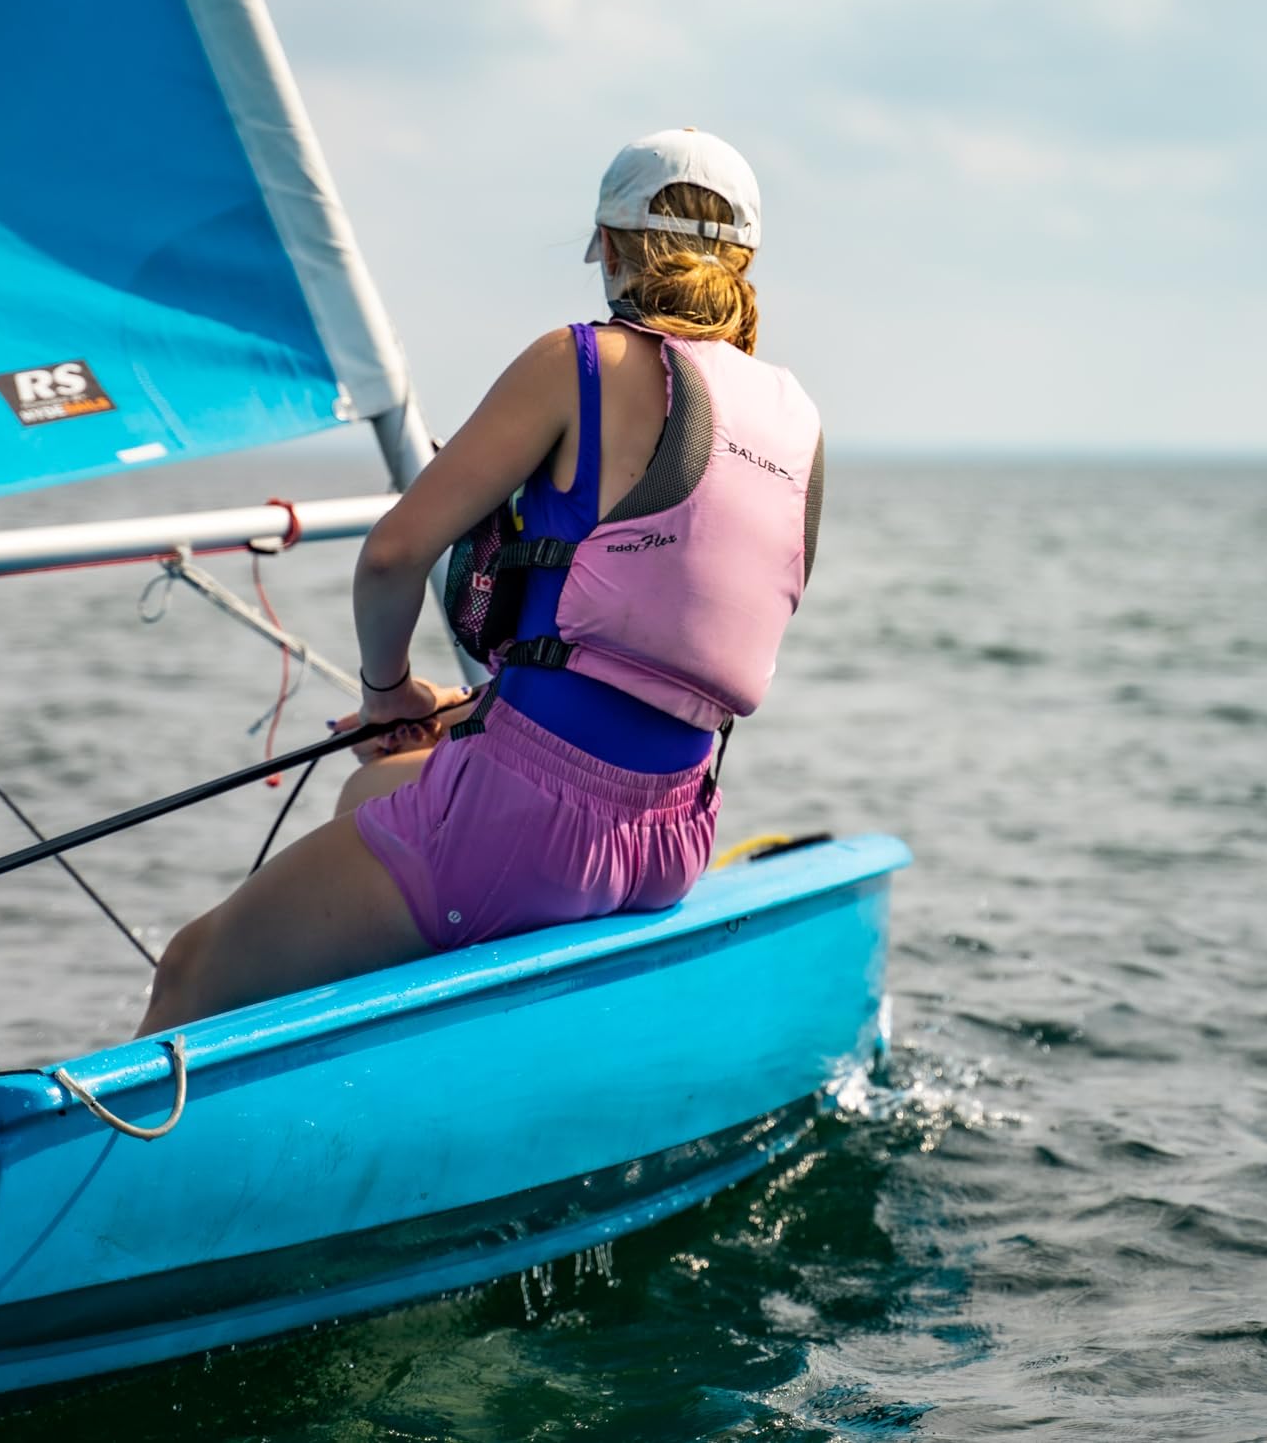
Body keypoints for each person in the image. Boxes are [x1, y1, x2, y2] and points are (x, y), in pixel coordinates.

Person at [137, 129, 824, 1033]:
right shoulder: (797, 420)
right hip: (669, 836)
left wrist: (387, 693)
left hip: (527, 830)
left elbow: (391, 556)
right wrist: (461, 711)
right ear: (744, 263)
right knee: (372, 794)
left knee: (193, 967)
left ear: (611, 250)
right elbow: (647, 670)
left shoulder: (580, 362)